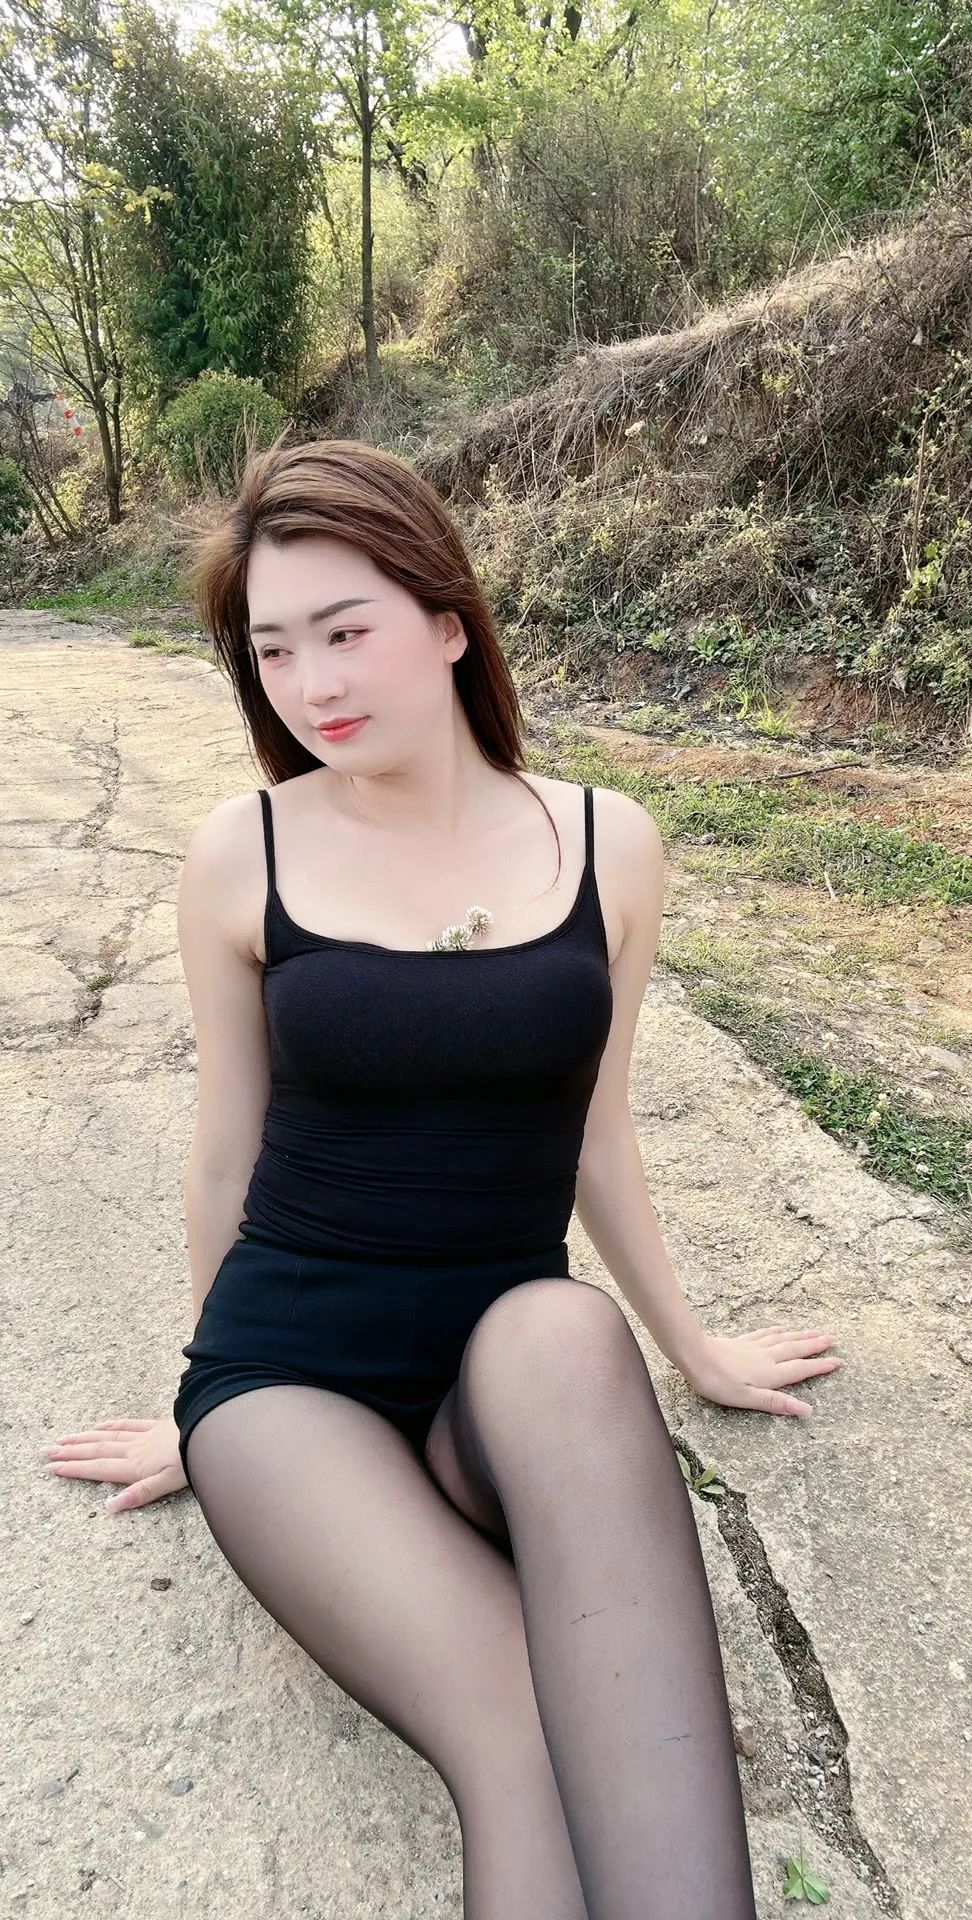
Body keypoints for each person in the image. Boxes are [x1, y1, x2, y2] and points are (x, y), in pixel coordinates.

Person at [43, 434, 841, 1917]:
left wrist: (696, 1348)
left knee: (566, 1327)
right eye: (274, 649)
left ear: (449, 620)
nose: (313, 683)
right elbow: (224, 1153)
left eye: (346, 631)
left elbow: (598, 1130)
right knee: (527, 1736)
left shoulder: (607, 843)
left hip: (501, 1380)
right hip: (292, 1382)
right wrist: (198, 1408)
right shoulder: (241, 854)